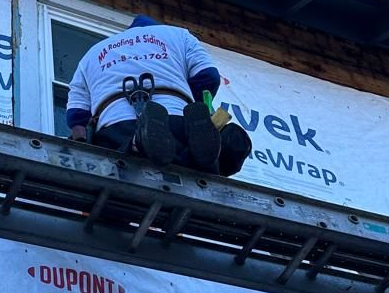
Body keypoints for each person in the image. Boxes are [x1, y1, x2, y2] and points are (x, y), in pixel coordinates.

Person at [65, 15, 253, 176]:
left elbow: (76, 113)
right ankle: (208, 143)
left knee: (121, 161)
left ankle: (137, 143)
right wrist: (195, 105)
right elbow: (208, 77)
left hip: (116, 124)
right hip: (178, 118)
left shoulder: (92, 54)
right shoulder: (179, 35)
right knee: (198, 165)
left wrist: (82, 141)